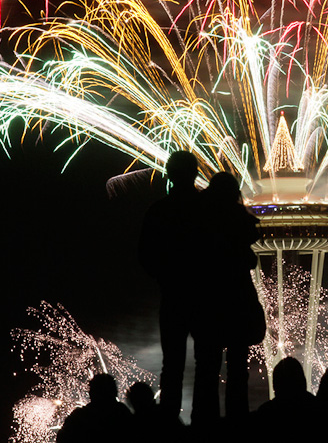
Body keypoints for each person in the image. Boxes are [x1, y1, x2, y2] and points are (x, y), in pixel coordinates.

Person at [138, 152, 262, 428]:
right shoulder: (209, 208)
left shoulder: (159, 211)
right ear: (195, 173)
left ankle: (169, 424)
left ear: (170, 174)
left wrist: (166, 277)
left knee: (172, 366)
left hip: (174, 296)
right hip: (207, 299)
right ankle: (205, 422)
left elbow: (145, 256)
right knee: (208, 365)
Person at [56, 374, 132, 443]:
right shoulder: (122, 413)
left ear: (91, 393)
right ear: (114, 392)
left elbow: (62, 438)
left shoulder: (79, 416)